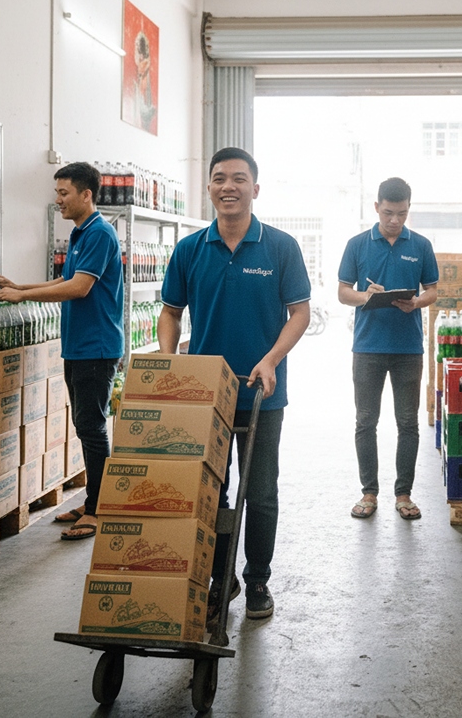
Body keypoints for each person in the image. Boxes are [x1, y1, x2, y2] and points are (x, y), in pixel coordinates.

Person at [157, 147, 311, 623]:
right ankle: (220, 578)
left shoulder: (280, 246)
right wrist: (169, 361)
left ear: (255, 189)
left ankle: (258, 578)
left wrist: (270, 360)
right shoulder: (189, 249)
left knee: (260, 491)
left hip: (263, 393)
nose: (229, 186)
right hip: (204, 395)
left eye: (239, 178)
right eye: (220, 178)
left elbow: (300, 313)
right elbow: (170, 312)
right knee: (211, 491)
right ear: (209, 188)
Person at [0, 161, 124, 541]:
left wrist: (23, 296)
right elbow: (65, 280)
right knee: (85, 427)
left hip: (96, 348)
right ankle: (93, 499)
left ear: (86, 194)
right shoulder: (81, 234)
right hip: (79, 347)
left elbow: (78, 288)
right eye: (57, 193)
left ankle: (97, 509)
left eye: (64, 193)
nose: (58, 200)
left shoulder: (100, 233)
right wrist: (20, 287)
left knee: (92, 428)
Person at [338, 177, 439, 521]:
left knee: (408, 422)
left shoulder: (421, 245)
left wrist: (417, 302)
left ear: (409, 209)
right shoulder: (357, 245)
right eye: (388, 213)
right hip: (367, 347)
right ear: (376, 207)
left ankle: (404, 494)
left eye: (402, 213)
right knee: (366, 421)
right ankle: (368, 493)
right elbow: (343, 292)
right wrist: (366, 296)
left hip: (408, 349)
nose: (395, 220)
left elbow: (432, 291)